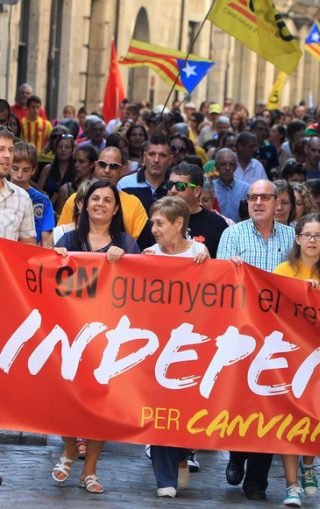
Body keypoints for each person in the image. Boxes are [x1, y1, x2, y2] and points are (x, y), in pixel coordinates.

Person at [52, 181, 140, 494]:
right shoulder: (65, 238)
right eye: (94, 199)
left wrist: (127, 262)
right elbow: (47, 279)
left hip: (109, 337)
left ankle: (90, 470)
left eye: (107, 200)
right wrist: (56, 258)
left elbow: (142, 288)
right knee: (66, 397)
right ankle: (69, 448)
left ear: (117, 209)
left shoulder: (128, 244)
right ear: (83, 204)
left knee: (101, 403)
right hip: (69, 331)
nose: (100, 204)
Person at [216, 179, 295, 500]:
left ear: (278, 202)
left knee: (270, 404)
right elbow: (218, 285)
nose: (258, 202)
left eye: (265, 197)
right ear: (246, 202)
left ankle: (257, 481)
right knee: (241, 401)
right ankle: (236, 454)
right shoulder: (232, 235)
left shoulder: (292, 238)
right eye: (253, 198)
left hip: (281, 337)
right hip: (242, 334)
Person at [273, 214, 320, 507]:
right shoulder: (283, 269)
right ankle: (291, 486)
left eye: (318, 235)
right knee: (290, 419)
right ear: (298, 238)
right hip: (290, 355)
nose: (312, 240)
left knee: (317, 416)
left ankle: (309, 463)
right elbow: (271, 308)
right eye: (307, 235)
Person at [142, 196, 208, 497]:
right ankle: (164, 478)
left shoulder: (200, 253)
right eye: (152, 222)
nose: (153, 228)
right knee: (158, 407)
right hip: (158, 345)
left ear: (179, 224)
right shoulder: (148, 255)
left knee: (185, 406)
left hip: (192, 344)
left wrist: (217, 264)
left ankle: (182, 453)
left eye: (159, 223)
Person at [58, 146, 149, 240]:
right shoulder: (76, 199)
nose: (107, 170)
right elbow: (60, 237)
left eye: (113, 166)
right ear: (95, 166)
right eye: (102, 164)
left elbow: (141, 244)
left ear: (122, 171)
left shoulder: (134, 204)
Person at [166, 162, 228, 257]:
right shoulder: (158, 220)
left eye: (180, 186)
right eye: (170, 185)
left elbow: (224, 265)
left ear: (196, 191)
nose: (173, 190)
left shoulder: (217, 224)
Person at [9, 141, 54, 247]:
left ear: (33, 170)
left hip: (30, 257)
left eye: (26, 170)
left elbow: (46, 241)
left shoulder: (43, 201)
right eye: (15, 168)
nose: (19, 175)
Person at [117, 134, 172, 212]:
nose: (156, 160)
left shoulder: (176, 186)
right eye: (152, 154)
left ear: (170, 160)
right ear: (144, 157)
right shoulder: (125, 184)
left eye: (162, 155)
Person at [0, 127, 35, 244]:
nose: (7, 155)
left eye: (10, 150)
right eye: (1, 149)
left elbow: (29, 248)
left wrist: (54, 254)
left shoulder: (22, 198)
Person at [56, 144, 97, 214]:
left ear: (92, 164)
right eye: (75, 161)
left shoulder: (99, 188)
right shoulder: (66, 190)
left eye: (81, 162)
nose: (76, 165)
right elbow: (60, 219)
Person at [212, 148, 249, 222]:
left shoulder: (246, 189)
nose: (227, 168)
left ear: (236, 167)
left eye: (231, 164)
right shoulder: (210, 188)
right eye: (223, 164)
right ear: (216, 167)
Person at [37, 132, 75, 204]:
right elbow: (38, 190)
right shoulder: (47, 169)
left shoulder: (76, 171)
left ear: (72, 151)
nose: (63, 149)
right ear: (55, 150)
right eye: (60, 147)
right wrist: (42, 194)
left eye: (67, 147)